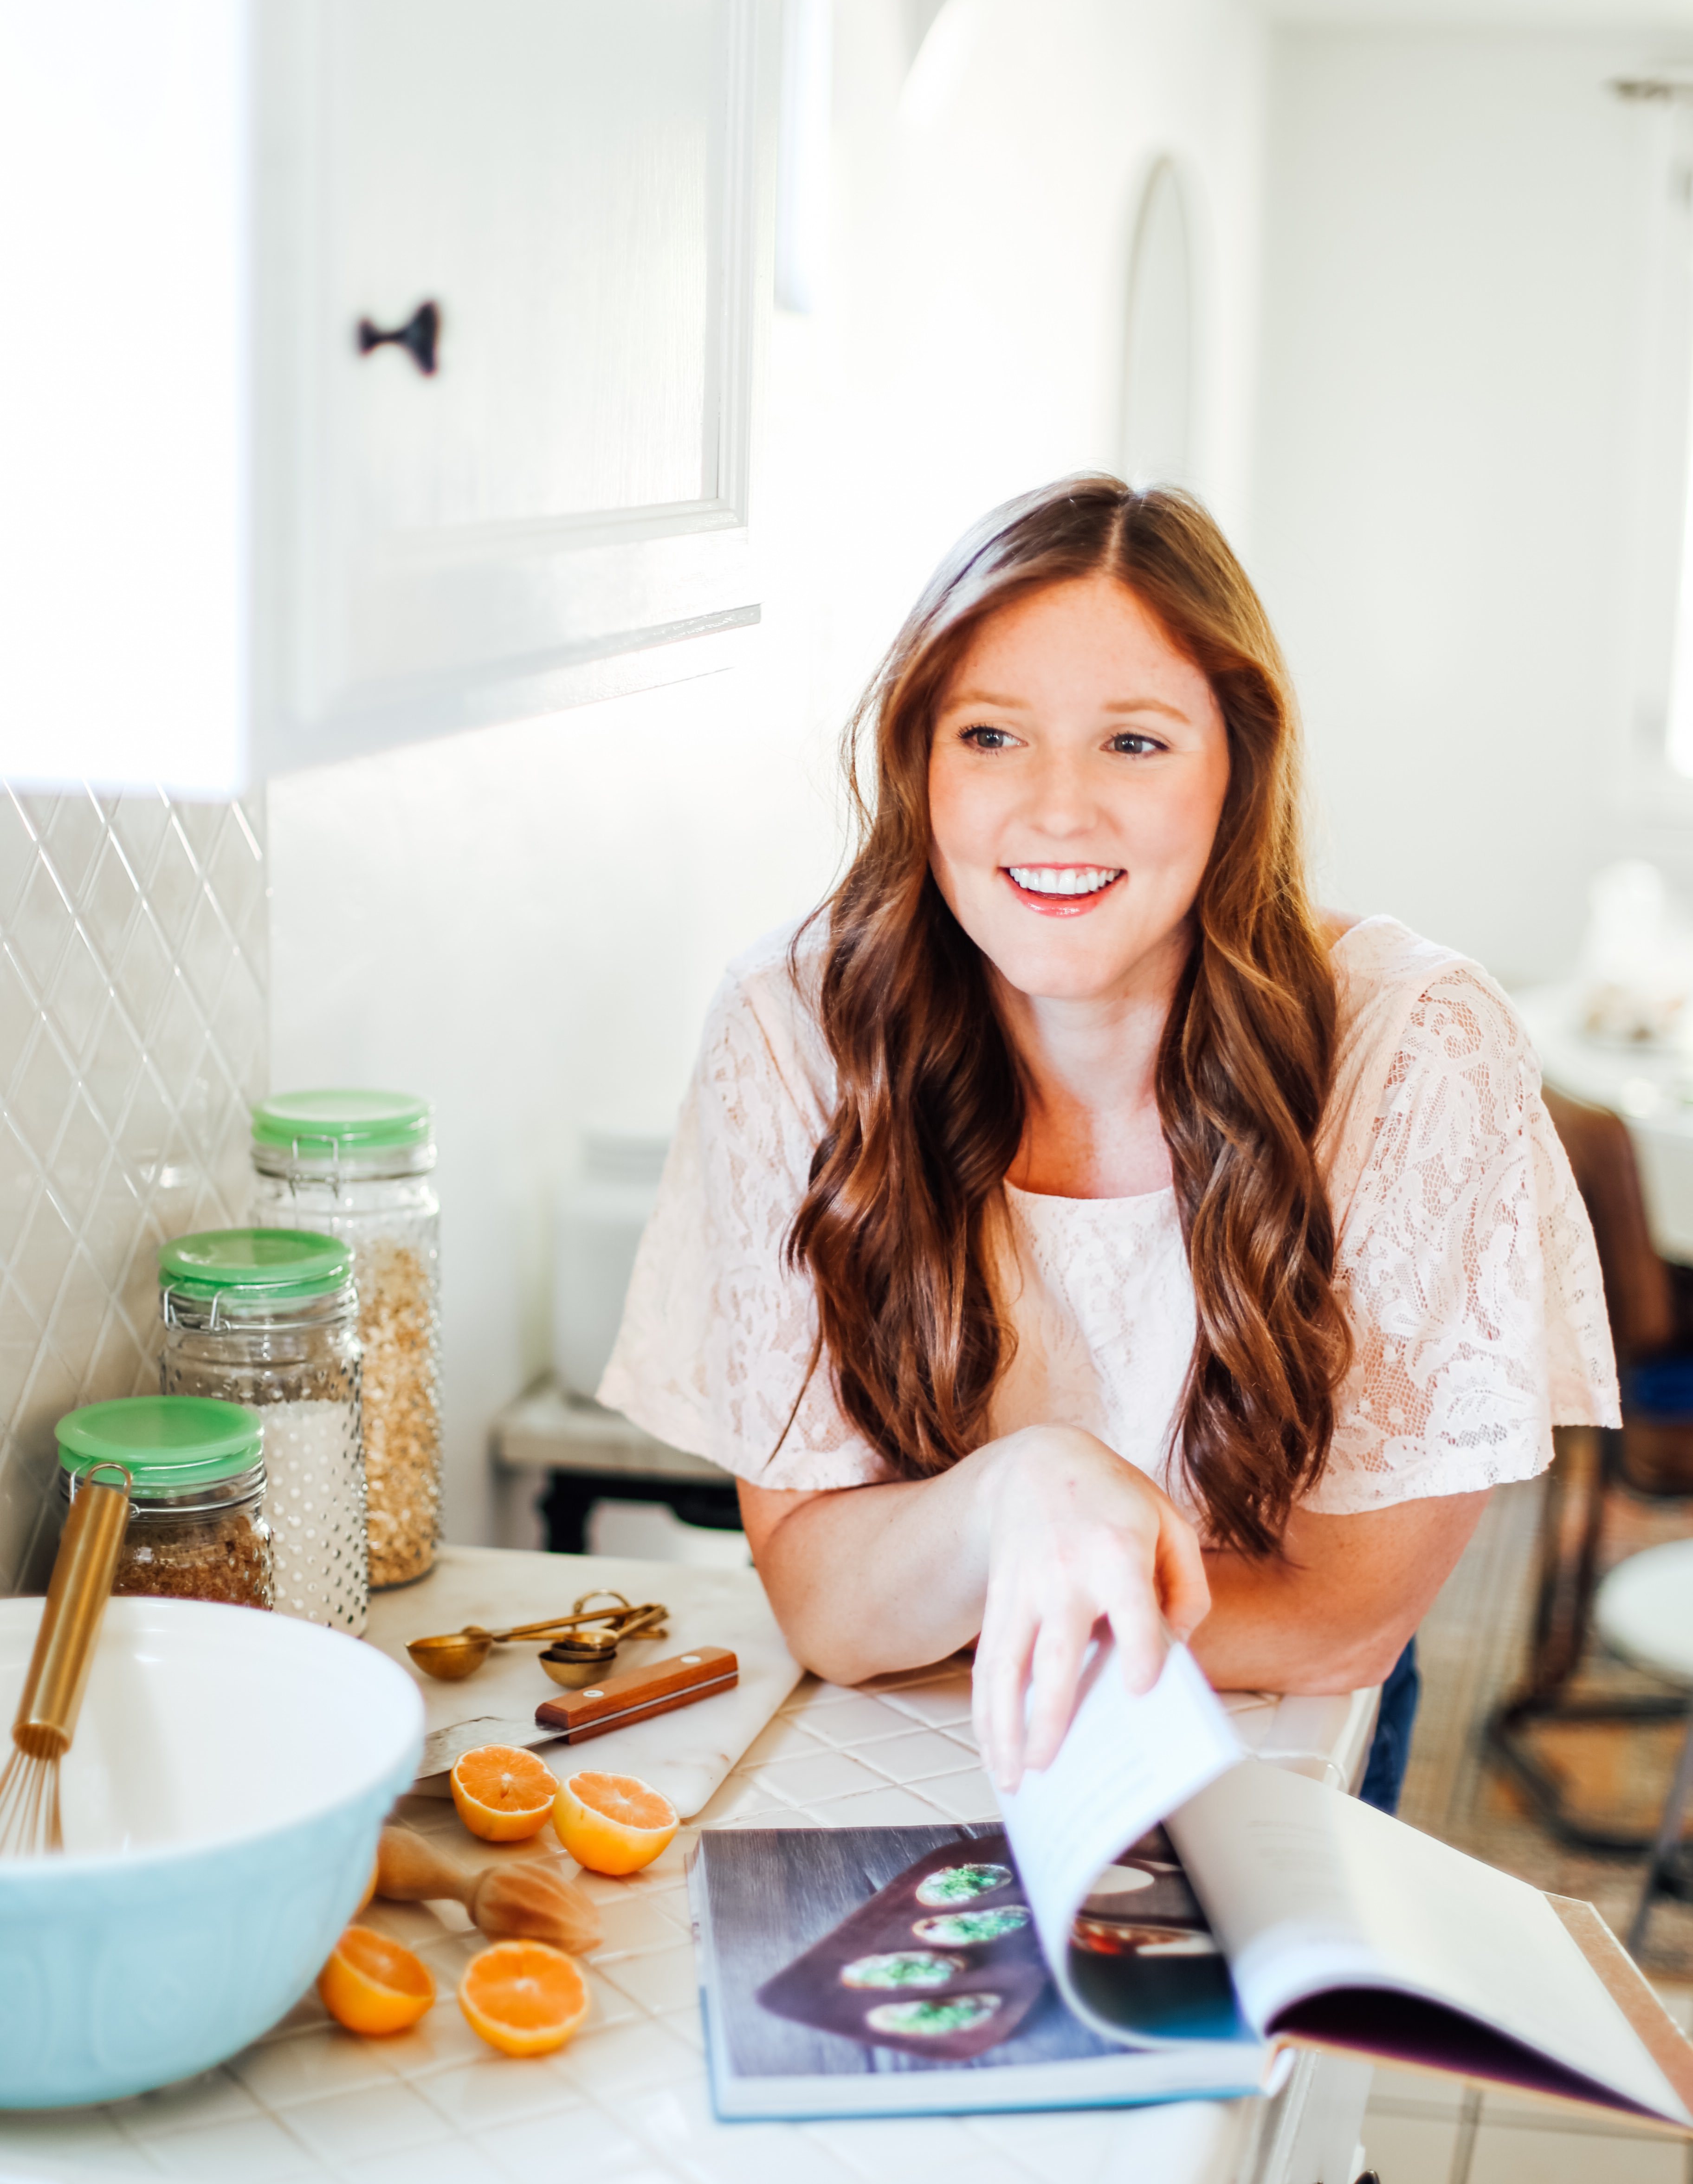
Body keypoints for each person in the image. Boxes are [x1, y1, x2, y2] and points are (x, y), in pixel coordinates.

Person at [602, 477, 1619, 1809]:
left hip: (1266, 1726)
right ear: (919, 762)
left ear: (1236, 771)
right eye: (991, 736)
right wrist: (1018, 1493)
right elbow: (821, 1608)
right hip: (900, 1726)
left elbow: (1344, 1621)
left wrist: (957, 1582)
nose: (1058, 811)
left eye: (1134, 743)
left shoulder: (1416, 1051)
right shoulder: (793, 1033)